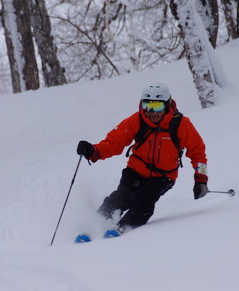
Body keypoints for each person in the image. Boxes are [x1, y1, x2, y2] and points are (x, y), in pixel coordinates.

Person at [76, 83, 208, 238]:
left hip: (163, 176)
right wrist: (93, 151)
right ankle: (94, 226)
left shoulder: (180, 125)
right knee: (121, 196)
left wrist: (201, 179)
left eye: (157, 106)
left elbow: (198, 152)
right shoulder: (137, 121)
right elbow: (114, 142)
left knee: (144, 199)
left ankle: (121, 230)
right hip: (136, 169)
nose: (152, 112)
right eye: (147, 105)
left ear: (166, 105)